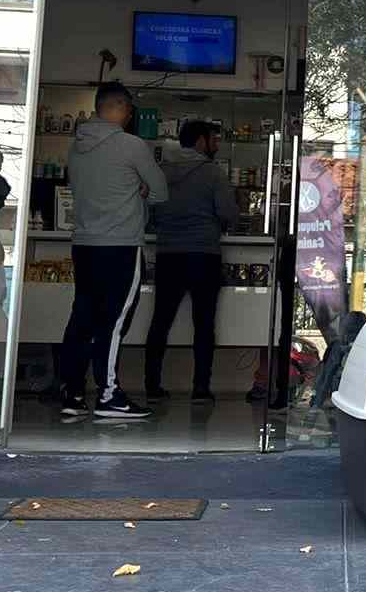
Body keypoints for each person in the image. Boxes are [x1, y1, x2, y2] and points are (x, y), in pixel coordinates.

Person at [56, 82, 166, 420]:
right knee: (115, 320)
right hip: (121, 245)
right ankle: (108, 395)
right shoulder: (131, 145)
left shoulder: (76, 147)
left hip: (84, 244)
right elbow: (160, 191)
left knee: (82, 317)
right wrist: (141, 190)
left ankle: (72, 393)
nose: (130, 118)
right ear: (122, 108)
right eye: (130, 111)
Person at [144, 119, 237, 404]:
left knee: (160, 320)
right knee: (204, 324)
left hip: (168, 254)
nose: (216, 144)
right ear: (200, 141)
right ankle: (201, 389)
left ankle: (152, 386)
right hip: (203, 255)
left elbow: (151, 213)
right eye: (213, 139)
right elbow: (228, 212)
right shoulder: (214, 173)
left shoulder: (161, 172)